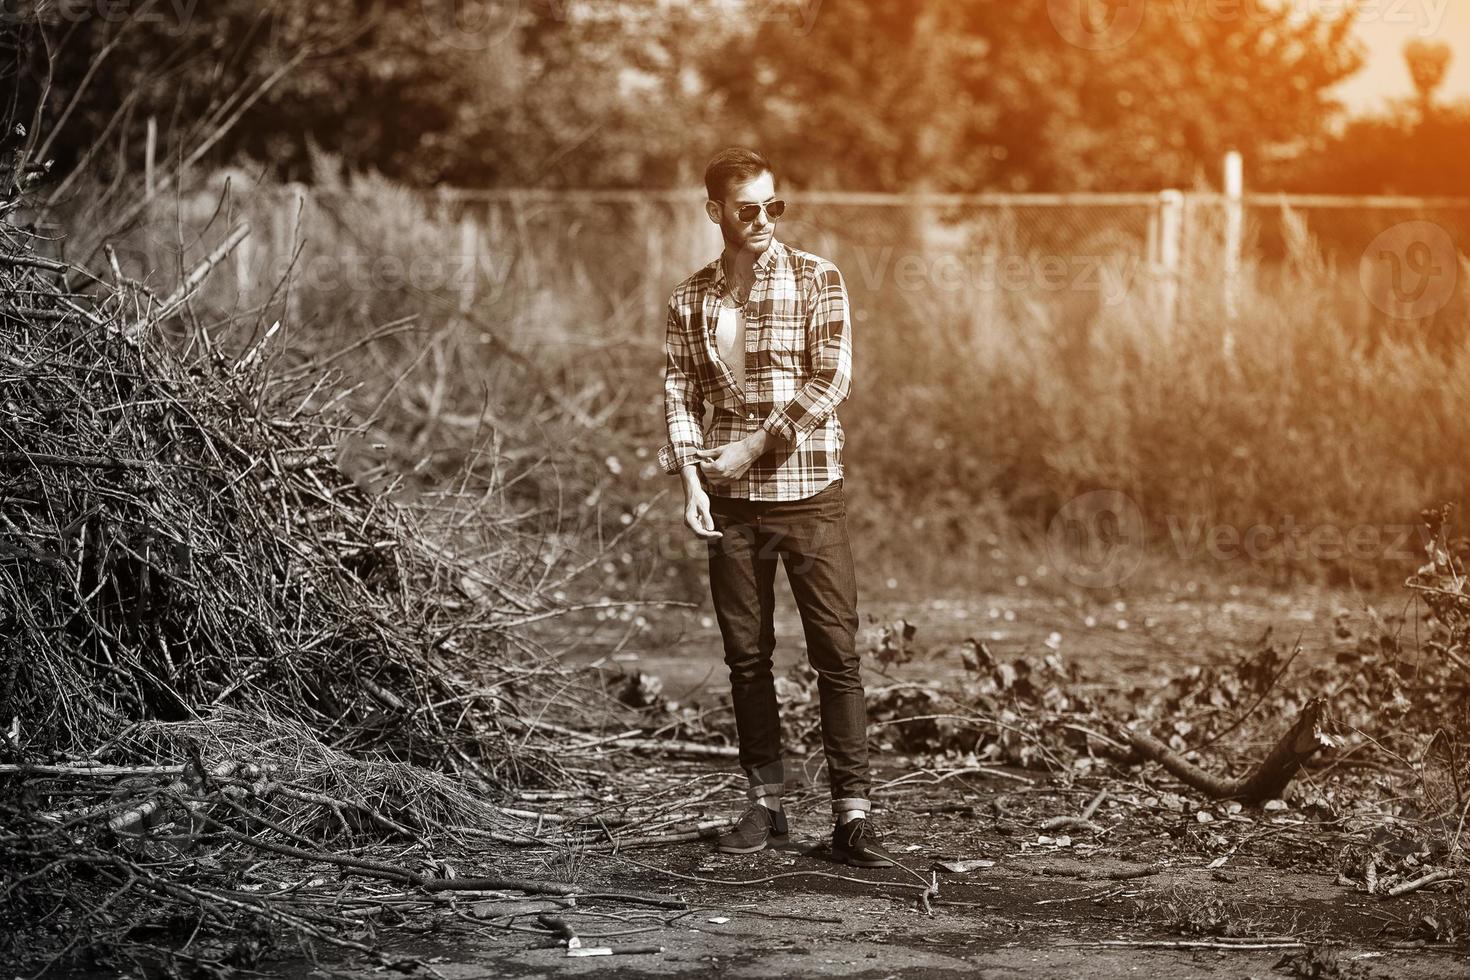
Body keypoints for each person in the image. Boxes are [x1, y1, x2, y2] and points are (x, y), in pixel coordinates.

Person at [656, 147, 892, 868]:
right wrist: (694, 484)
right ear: (716, 212)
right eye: (748, 208)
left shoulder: (818, 278)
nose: (762, 220)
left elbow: (833, 379)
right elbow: (679, 394)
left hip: (808, 495)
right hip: (727, 504)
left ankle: (853, 816)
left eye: (773, 206)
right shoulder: (689, 299)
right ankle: (767, 808)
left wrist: (755, 447)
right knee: (746, 660)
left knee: (835, 652)